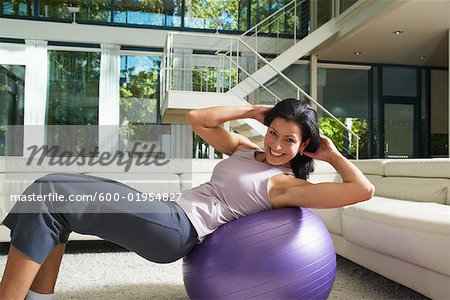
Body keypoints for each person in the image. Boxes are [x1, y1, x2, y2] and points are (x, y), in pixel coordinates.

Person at [0, 99, 374, 299]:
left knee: (52, 191)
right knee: (56, 196)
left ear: (303, 145)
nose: (276, 145)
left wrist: (332, 155)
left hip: (179, 229)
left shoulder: (283, 184)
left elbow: (362, 190)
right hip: (171, 211)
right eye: (273, 133)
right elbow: (198, 119)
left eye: (289, 140)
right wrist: (249, 110)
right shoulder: (246, 151)